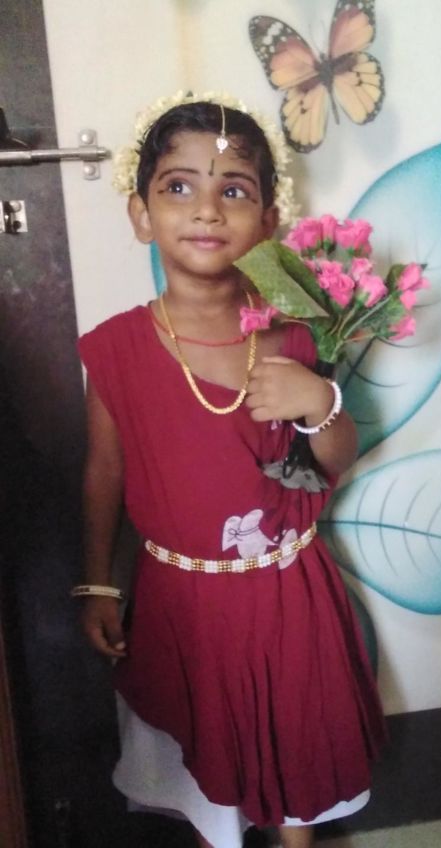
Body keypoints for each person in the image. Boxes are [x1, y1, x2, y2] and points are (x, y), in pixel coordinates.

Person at [73, 94, 386, 848]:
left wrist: (319, 405)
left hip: (286, 596)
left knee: (294, 742)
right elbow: (104, 472)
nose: (206, 210)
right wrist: (98, 582)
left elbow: (333, 461)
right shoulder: (115, 348)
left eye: (234, 190)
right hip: (182, 603)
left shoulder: (294, 333)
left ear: (267, 220)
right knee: (205, 760)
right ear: (141, 215)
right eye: (178, 186)